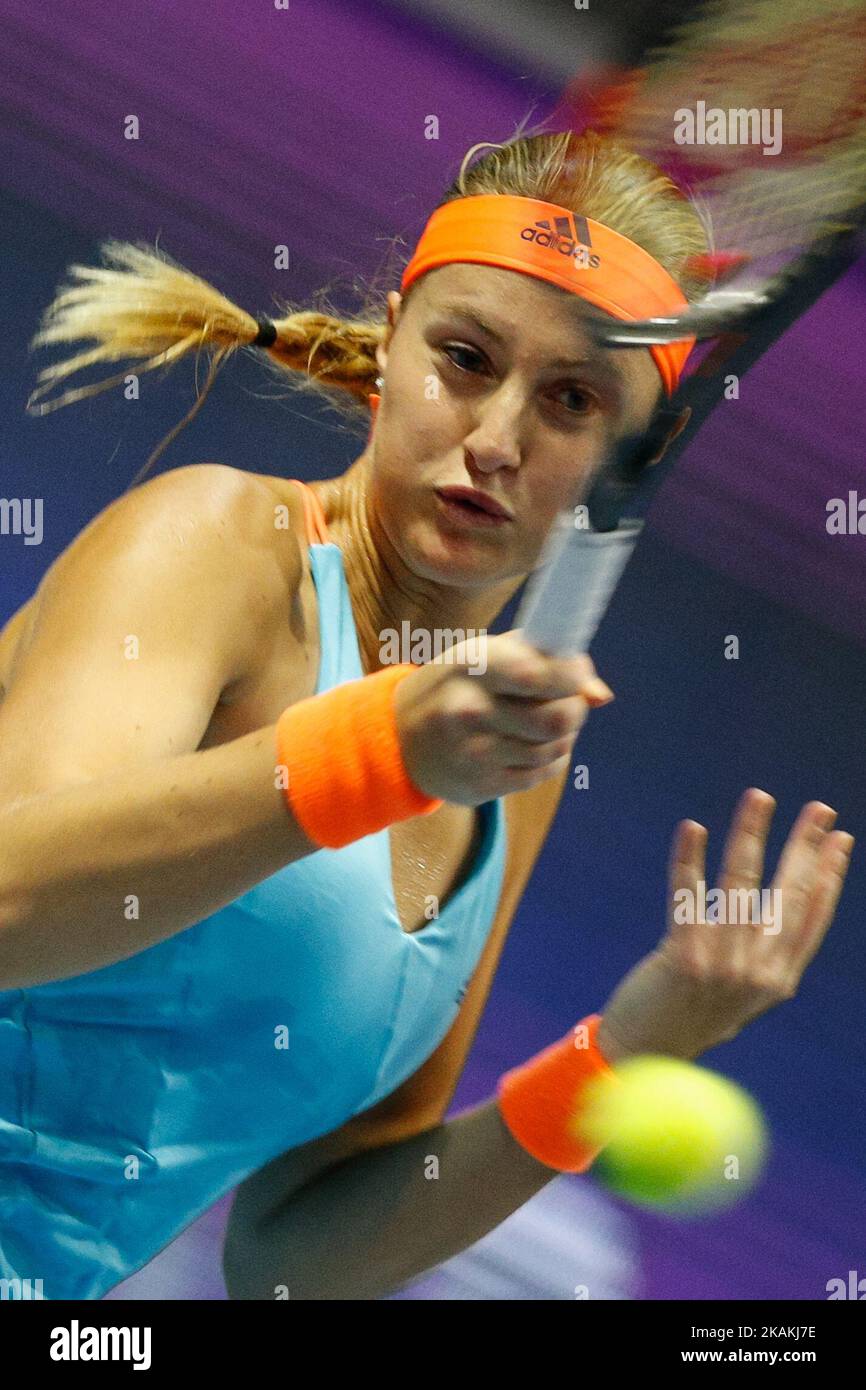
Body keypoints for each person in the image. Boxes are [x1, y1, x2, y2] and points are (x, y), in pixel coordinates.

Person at [0, 130, 853, 1300]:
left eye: (569, 400)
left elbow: (289, 1255)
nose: (493, 440)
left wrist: (622, 1052)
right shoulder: (217, 543)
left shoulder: (508, 760)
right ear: (389, 348)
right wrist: (379, 750)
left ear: (632, 455)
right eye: (463, 358)